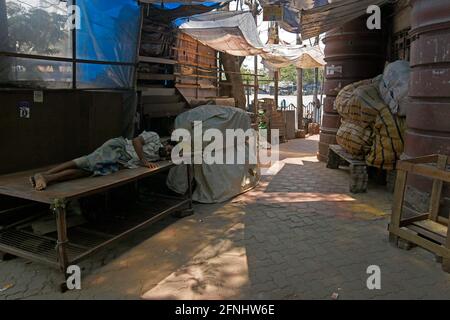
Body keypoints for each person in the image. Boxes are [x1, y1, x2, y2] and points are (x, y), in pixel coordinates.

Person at [29, 131, 173, 191]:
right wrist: (143, 161)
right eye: (169, 148)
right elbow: (136, 141)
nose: (167, 151)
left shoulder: (158, 158)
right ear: (167, 143)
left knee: (85, 172)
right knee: (88, 161)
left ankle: (48, 177)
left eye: (169, 154)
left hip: (120, 162)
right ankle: (44, 174)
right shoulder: (154, 137)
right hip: (118, 148)